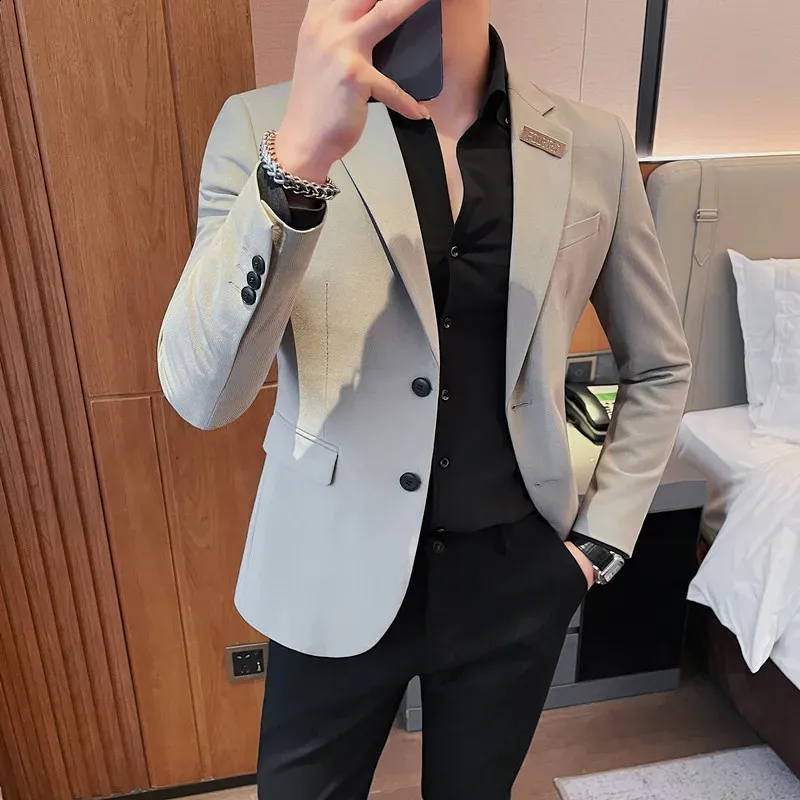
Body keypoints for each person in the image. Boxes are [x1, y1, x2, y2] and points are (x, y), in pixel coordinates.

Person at [157, 0, 692, 796]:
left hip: (516, 582)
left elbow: (659, 366)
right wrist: (299, 160)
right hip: (330, 569)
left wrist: (597, 546)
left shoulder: (594, 143)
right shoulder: (262, 127)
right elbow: (203, 393)